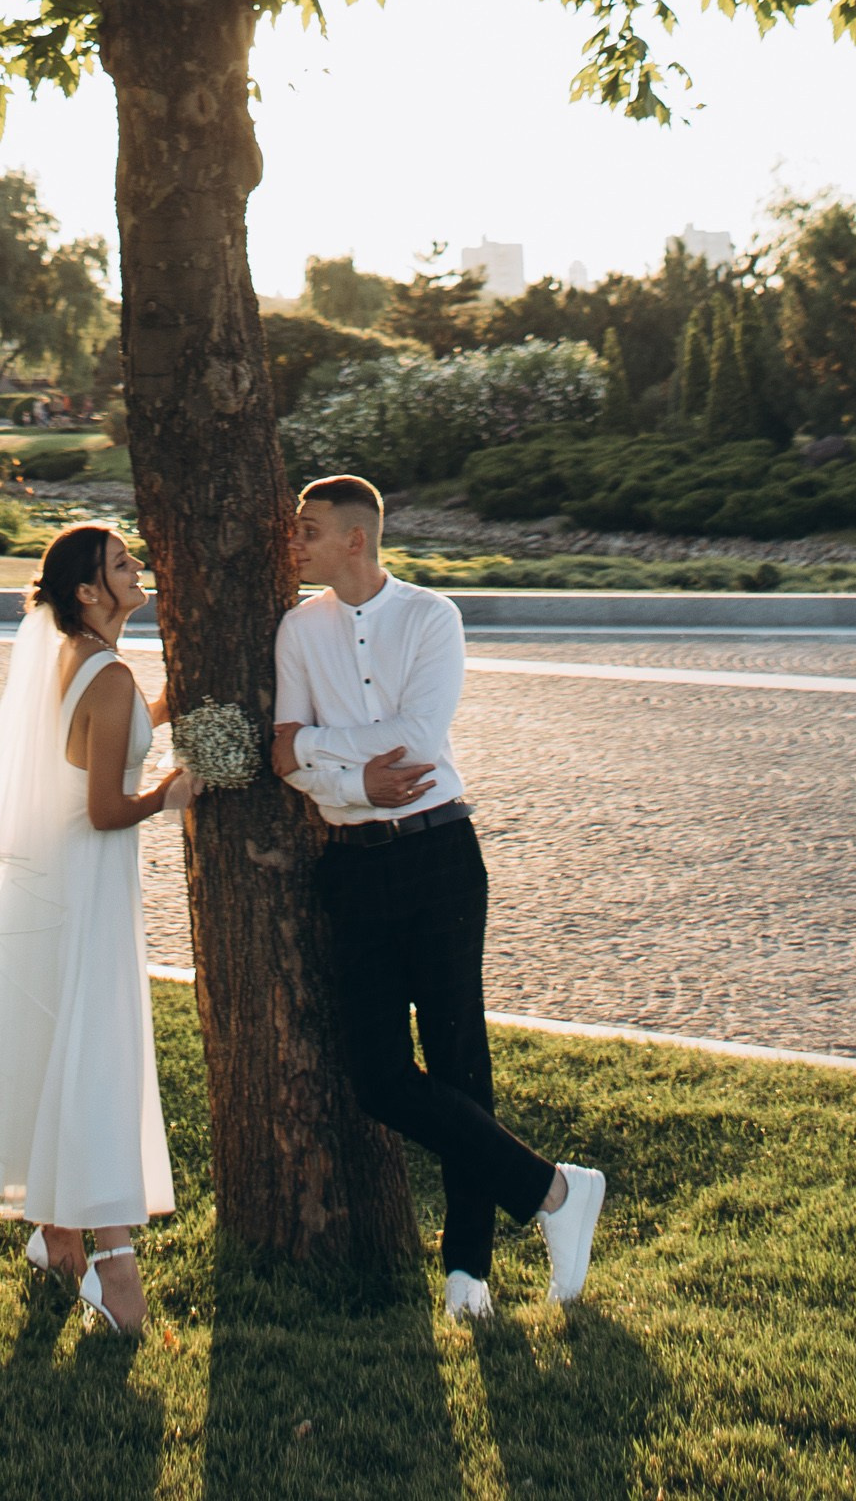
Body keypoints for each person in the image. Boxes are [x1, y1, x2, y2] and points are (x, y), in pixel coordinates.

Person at [275, 473, 605, 1326]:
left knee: (460, 1057)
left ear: (355, 538)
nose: (293, 540)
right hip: (350, 868)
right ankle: (557, 1191)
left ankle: (468, 1274)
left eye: (307, 529)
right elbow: (280, 752)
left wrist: (328, 761)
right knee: (382, 1080)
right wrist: (354, 775)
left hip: (440, 856)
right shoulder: (295, 629)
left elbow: (418, 741)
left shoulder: (431, 618)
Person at [0, 521, 197, 1337]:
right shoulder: (108, 673)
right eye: (122, 565)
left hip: (61, 885)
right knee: (92, 1056)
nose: (137, 570)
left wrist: (167, 705)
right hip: (86, 887)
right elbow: (107, 805)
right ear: (87, 592)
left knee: (59, 1046)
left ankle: (58, 1241)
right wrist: (170, 798)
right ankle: (117, 1280)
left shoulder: (77, 662)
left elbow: (99, 740)